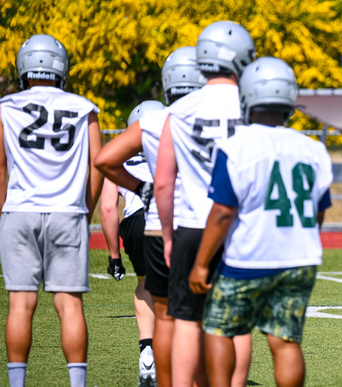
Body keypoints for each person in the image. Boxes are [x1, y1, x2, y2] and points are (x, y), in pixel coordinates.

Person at [188, 56, 333, 387]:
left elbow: (223, 212)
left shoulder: (235, 146)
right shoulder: (312, 149)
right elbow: (319, 209)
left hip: (248, 259)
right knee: (285, 341)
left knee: (220, 329)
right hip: (299, 259)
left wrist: (200, 264)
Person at [95, 46, 205, 387]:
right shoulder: (215, 116)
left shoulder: (151, 125)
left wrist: (114, 254)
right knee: (204, 309)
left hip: (149, 222)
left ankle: (150, 354)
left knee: (155, 299)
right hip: (201, 220)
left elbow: (109, 201)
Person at [154, 21, 254, 387]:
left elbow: (164, 181)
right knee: (237, 322)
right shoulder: (252, 105)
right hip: (239, 229)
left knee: (186, 320)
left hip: (193, 225)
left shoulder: (179, 110)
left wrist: (168, 235)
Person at [0, 34, 103, 386]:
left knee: (20, 304)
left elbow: (0, 168)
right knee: (70, 304)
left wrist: (5, 212)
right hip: (67, 212)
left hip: (19, 211)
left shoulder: (6, 107)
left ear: (24, 66)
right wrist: (84, 212)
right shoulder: (85, 108)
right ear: (62, 67)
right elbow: (98, 165)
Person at [100, 100, 164, 386]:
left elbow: (109, 208)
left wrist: (114, 255)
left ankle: (147, 351)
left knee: (144, 283)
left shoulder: (121, 155)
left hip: (137, 221)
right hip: (173, 218)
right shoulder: (180, 139)